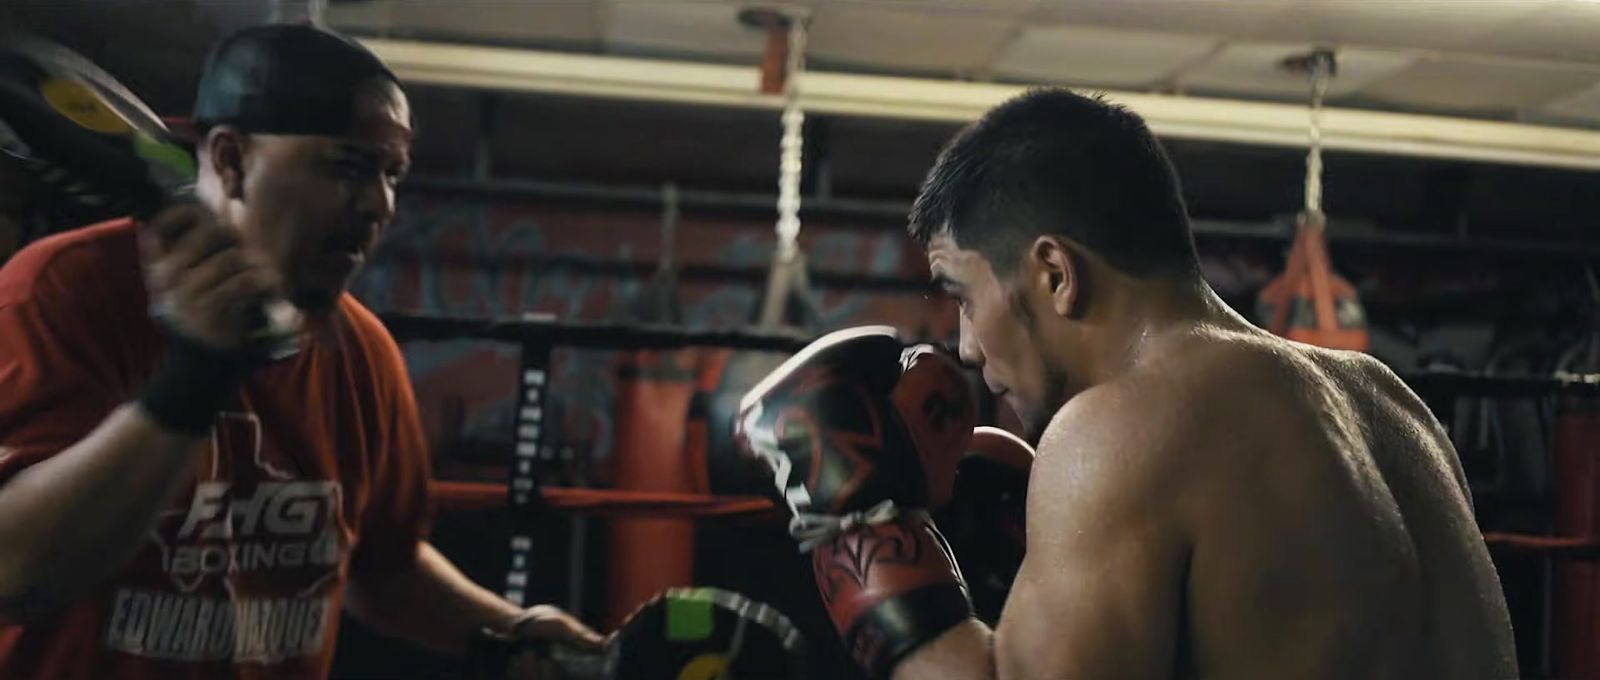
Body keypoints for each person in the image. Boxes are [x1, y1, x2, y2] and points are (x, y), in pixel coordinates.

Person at [740, 87, 1519, 680]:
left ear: (1053, 273)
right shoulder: (1389, 404)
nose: (966, 347)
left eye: (961, 295)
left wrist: (858, 533)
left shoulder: (1120, 429)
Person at [0, 24, 600, 679]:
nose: (378, 204)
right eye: (346, 166)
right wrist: (197, 374)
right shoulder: (60, 294)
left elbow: (386, 570)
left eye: (391, 174)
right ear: (230, 159)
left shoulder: (360, 351)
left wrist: (507, 630)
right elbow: (15, 570)